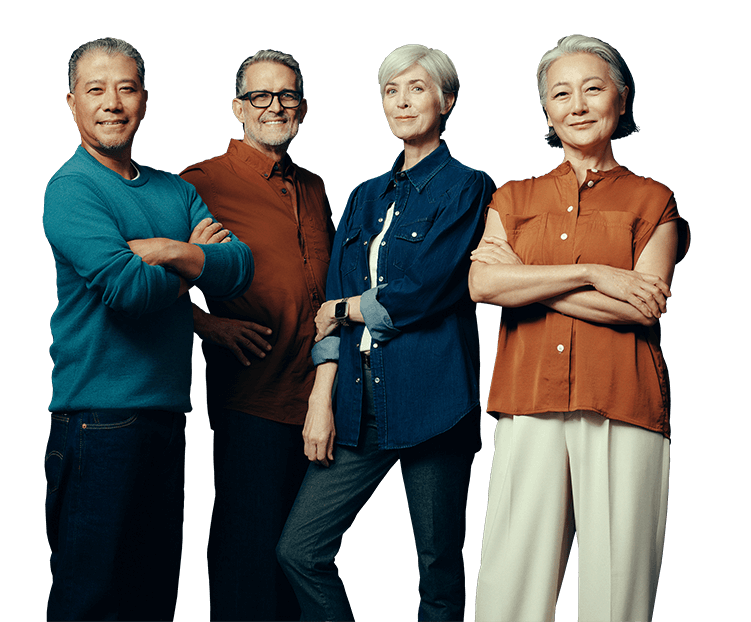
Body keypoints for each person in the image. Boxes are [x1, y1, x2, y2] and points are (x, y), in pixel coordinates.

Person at [470, 34, 689, 622]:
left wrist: (527, 280)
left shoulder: (655, 200)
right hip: (527, 399)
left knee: (617, 595)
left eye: (593, 88)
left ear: (622, 99)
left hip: (624, 400)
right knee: (509, 588)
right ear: (547, 111)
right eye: (561, 93)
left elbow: (643, 306)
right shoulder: (513, 197)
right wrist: (596, 274)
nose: (578, 104)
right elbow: (483, 286)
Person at [276, 44, 495, 621]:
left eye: (417, 88)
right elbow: (330, 304)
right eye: (391, 91)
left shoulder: (468, 186)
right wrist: (320, 400)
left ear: (447, 101)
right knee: (299, 551)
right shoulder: (364, 195)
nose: (402, 101)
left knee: (438, 572)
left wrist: (345, 308)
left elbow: (428, 288)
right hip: (357, 399)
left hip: (434, 398)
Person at [43, 38, 253, 621]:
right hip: (97, 421)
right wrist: (196, 260)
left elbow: (240, 267)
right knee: (88, 600)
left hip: (166, 415)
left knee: (152, 599)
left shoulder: (175, 189)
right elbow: (127, 292)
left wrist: (167, 250)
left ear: (144, 100)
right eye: (96, 89)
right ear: (72, 103)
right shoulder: (71, 189)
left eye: (126, 88)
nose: (112, 102)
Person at [179, 49, 333, 621]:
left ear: (303, 108)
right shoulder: (200, 182)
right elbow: (149, 274)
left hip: (318, 401)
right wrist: (209, 325)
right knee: (247, 554)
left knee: (300, 560)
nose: (275, 106)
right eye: (260, 96)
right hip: (251, 398)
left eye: (287, 95)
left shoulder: (314, 185)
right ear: (238, 108)